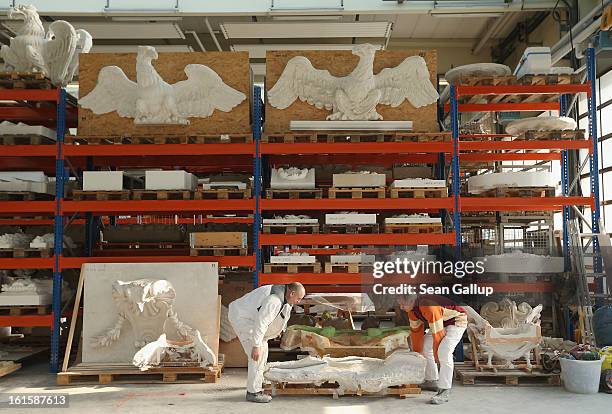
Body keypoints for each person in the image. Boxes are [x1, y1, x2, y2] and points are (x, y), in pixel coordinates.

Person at [228, 282, 306, 403]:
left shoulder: (285, 297)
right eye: (299, 298)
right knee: (257, 355)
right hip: (242, 318)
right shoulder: (274, 300)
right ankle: (253, 392)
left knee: (262, 351)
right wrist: (256, 346)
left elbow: (283, 315)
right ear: (292, 293)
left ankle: (257, 382)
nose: (299, 301)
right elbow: (261, 322)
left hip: (248, 317)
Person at [398, 294, 467, 405]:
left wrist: (437, 356)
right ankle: (431, 380)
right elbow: (416, 333)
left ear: (412, 301)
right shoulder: (412, 311)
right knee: (425, 347)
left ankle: (444, 390)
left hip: (456, 321)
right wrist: (416, 354)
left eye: (403, 304)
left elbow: (438, 333)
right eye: (399, 304)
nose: (401, 307)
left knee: (444, 352)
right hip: (440, 321)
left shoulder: (427, 306)